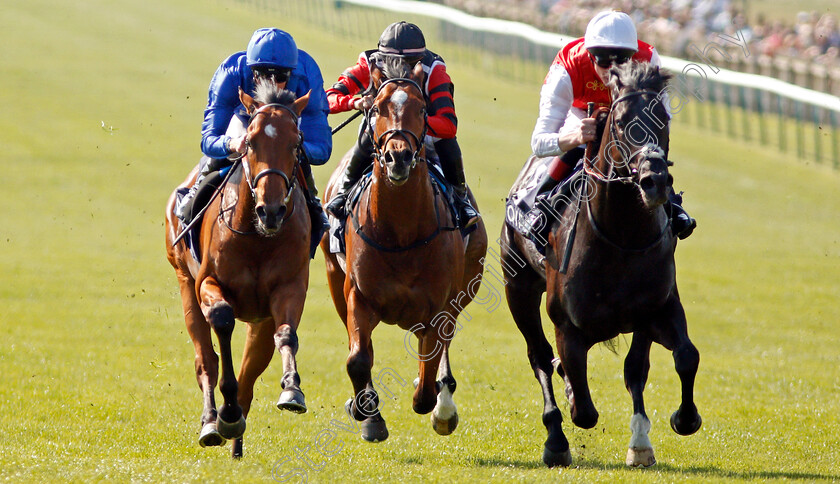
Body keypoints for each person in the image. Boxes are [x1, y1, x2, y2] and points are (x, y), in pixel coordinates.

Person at [529, 11, 695, 239]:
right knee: (585, 142)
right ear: (589, 55)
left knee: (645, 146)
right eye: (604, 60)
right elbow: (539, 142)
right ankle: (544, 203)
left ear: (633, 56)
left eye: (622, 60)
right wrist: (576, 136)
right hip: (582, 112)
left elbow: (662, 118)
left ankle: (671, 204)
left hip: (629, 115)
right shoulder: (567, 68)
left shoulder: (648, 59)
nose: (613, 70)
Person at [176, 28, 332, 236]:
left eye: (280, 76)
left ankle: (313, 202)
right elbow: (208, 139)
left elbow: (322, 148)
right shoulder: (231, 74)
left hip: (287, 124)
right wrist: (231, 144)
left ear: (292, 73)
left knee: (294, 153)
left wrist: (295, 144)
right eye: (264, 75)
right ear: (252, 72)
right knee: (220, 156)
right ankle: (195, 196)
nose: (271, 83)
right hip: (245, 119)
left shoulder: (307, 76)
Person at [324, 21, 480, 229]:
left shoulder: (434, 70)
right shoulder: (369, 65)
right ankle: (344, 193)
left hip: (423, 129)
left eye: (410, 62)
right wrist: (355, 102)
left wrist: (415, 121)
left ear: (420, 59)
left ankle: (461, 200)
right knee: (367, 132)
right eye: (394, 62)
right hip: (382, 129)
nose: (402, 69)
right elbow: (328, 98)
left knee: (447, 141)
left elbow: (448, 124)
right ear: (383, 58)